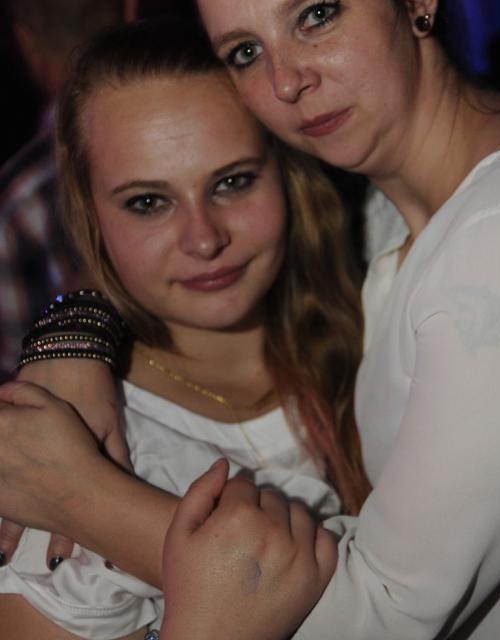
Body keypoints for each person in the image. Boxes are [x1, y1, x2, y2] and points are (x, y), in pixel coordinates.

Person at [1, 0, 500, 638]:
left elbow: (383, 611)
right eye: (246, 51)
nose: (285, 82)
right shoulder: (387, 219)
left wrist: (80, 495)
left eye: (317, 14)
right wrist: (74, 325)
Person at [0, 18, 369, 639]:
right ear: (90, 216)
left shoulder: (382, 311)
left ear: (286, 170)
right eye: (148, 202)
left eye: (232, 182)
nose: (204, 239)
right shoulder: (81, 451)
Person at [0, 0, 127, 380]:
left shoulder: (17, 200)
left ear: (24, 40)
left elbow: (17, 383)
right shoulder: (198, 129)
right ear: (131, 10)